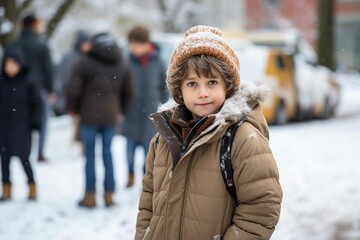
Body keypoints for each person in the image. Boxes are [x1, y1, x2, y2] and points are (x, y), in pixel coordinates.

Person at [135, 25, 283, 240]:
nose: (203, 93)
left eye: (212, 82)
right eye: (192, 84)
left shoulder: (243, 138)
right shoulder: (162, 140)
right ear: (179, 90)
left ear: (227, 85)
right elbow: (148, 200)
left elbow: (261, 208)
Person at [66, 32, 134, 208]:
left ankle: (89, 196)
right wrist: (122, 111)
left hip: (88, 116)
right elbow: (130, 92)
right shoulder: (122, 63)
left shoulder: (84, 62)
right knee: (108, 154)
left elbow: (73, 89)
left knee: (90, 156)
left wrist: (73, 109)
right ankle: (109, 195)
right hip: (111, 115)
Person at [122, 26, 167, 188]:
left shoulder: (158, 61)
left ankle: (145, 178)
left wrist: (163, 108)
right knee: (129, 151)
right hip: (131, 113)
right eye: (131, 44)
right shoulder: (127, 62)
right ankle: (130, 174)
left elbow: (165, 87)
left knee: (149, 152)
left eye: (136, 44)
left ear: (146, 44)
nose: (133, 48)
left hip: (151, 113)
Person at [8, 13, 56, 162]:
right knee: (42, 122)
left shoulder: (14, 45)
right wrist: (51, 89)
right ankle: (40, 151)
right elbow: (49, 69)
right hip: (39, 89)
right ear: (34, 24)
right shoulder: (41, 46)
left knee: (20, 120)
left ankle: (17, 148)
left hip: (18, 90)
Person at [0, 48, 43, 201]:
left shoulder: (28, 82)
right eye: (7, 64)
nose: (10, 68)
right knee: (4, 160)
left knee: (24, 159)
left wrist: (36, 122)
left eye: (13, 64)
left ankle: (32, 186)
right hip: (4, 128)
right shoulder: (2, 82)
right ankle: (6, 188)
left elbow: (37, 105)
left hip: (22, 128)